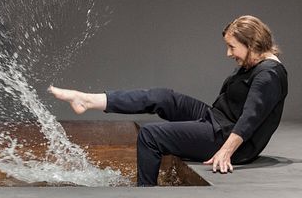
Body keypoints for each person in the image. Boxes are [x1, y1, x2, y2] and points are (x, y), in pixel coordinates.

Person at [49, 15, 288, 186]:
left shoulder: (268, 75)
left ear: (252, 44)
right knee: (163, 97)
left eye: (232, 47)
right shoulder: (255, 64)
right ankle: (89, 100)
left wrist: (225, 152)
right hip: (217, 121)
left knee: (151, 136)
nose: (228, 54)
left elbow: (249, 119)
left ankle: (145, 196)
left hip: (229, 139)